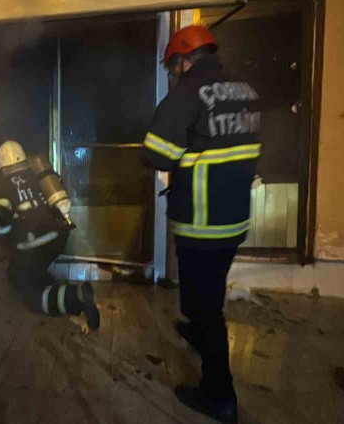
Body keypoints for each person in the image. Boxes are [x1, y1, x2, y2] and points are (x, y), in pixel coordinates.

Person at [142, 25, 261, 424]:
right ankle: (197, 333)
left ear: (182, 59)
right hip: (234, 216)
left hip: (201, 219)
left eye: (172, 66)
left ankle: (219, 396)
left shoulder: (188, 92)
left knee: (206, 306)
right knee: (206, 292)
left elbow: (156, 154)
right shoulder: (245, 89)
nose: (173, 73)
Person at [0, 140, 100, 331]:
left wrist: (6, 240)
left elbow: (1, 224)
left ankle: (77, 295)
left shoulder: (2, 189)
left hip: (32, 245)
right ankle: (37, 280)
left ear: (2, 166)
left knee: (34, 298)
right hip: (58, 237)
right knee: (20, 273)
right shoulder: (38, 176)